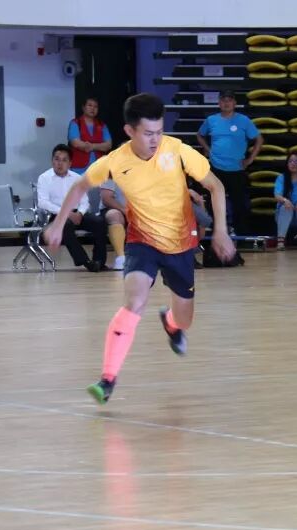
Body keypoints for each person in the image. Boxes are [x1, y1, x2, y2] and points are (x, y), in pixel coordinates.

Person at [42, 93, 236, 404]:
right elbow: (80, 186)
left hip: (180, 244)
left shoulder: (177, 151)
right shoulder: (115, 161)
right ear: (130, 131)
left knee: (185, 320)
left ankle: (171, 322)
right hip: (142, 240)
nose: (155, 139)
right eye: (148, 133)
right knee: (134, 302)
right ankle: (107, 379)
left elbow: (216, 185)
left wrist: (221, 231)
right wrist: (58, 223)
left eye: (159, 131)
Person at [195, 90, 262, 234]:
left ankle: (241, 235)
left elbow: (259, 139)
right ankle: (217, 232)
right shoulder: (211, 120)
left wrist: (250, 159)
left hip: (236, 169)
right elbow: (200, 135)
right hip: (216, 168)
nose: (226, 103)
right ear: (219, 103)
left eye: (229, 100)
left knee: (239, 205)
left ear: (234, 103)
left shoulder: (244, 120)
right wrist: (207, 149)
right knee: (214, 203)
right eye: (223, 100)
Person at [36, 144, 108, 272]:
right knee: (66, 225)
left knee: (99, 222)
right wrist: (66, 214)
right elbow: (43, 202)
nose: (60, 163)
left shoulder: (77, 178)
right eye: (57, 159)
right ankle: (85, 261)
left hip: (77, 214)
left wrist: (80, 213)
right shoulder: (44, 178)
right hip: (56, 215)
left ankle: (99, 261)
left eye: (64, 160)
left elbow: (85, 201)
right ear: (52, 161)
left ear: (70, 163)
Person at [69, 97, 113, 212]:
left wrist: (91, 146)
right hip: (79, 169)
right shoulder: (75, 123)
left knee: (97, 201)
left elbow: (108, 145)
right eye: (90, 105)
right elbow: (75, 142)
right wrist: (98, 146)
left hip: (98, 169)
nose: (93, 108)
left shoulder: (102, 125)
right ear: (83, 107)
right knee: (79, 200)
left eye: (95, 106)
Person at [273, 153, 297, 250]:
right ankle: (280, 241)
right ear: (287, 164)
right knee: (286, 207)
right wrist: (285, 200)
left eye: (296, 161)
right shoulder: (281, 178)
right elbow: (277, 195)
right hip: (284, 214)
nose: (294, 164)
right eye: (291, 161)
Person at [97, 178, 128, 270]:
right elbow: (106, 198)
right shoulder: (111, 174)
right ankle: (121, 258)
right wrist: (125, 210)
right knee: (113, 215)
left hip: (139, 210)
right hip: (117, 209)